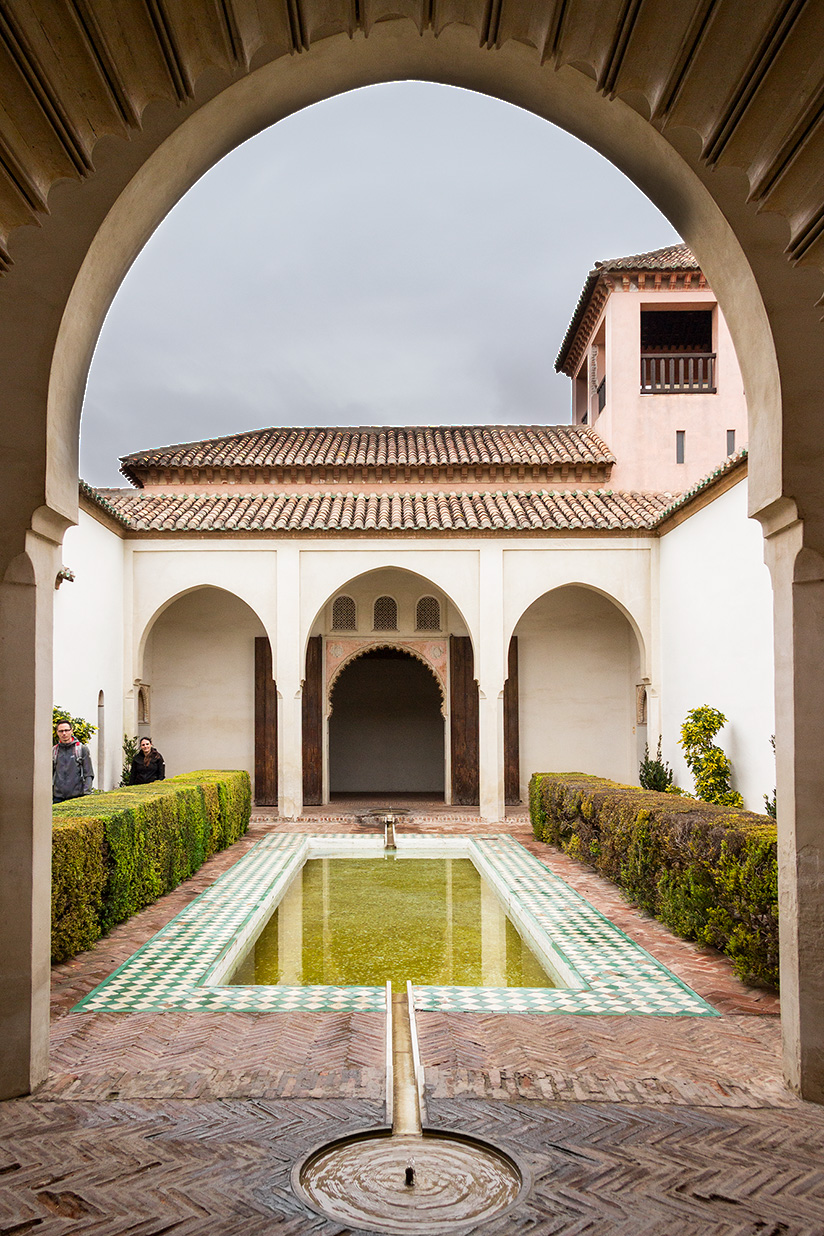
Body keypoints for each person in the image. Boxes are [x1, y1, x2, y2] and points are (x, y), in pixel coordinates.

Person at [52, 720, 94, 802]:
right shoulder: (54, 750)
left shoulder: (81, 749)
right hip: (57, 798)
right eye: (61, 731)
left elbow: (88, 773)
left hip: (77, 797)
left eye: (66, 730)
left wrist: (86, 794)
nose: (64, 733)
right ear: (57, 732)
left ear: (71, 731)